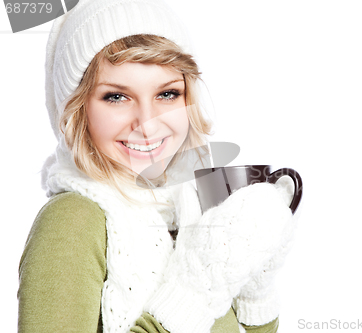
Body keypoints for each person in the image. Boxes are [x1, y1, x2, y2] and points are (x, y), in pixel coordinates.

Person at [17, 0, 298, 332]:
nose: (148, 124)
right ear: (77, 110)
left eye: (167, 94)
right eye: (116, 97)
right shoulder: (73, 221)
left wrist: (256, 283)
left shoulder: (188, 206)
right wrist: (189, 298)